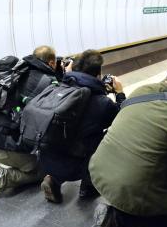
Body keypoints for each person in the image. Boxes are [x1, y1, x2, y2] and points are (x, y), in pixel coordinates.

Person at [89, 62, 167, 227]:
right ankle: (116, 219)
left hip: (99, 171)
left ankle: (115, 206)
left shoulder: (141, 90)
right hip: (133, 185)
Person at [0, 45, 59, 203]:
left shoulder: (18, 69)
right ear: (52, 63)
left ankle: (3, 162)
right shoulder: (47, 82)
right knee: (42, 169)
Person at [39, 49, 126, 203]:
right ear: (98, 74)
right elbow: (124, 119)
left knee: (70, 134)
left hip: (45, 160)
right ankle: (88, 186)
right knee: (109, 136)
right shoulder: (102, 102)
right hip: (75, 167)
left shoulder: (58, 87)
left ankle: (52, 179)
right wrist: (119, 93)